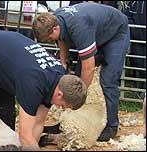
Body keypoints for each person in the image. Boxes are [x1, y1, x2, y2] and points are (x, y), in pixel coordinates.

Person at [0, 30, 87, 151]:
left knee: (6, 113)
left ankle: (6, 147)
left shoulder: (59, 81)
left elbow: (38, 122)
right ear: (60, 94)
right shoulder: (33, 85)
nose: (62, 108)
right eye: (63, 105)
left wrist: (33, 145)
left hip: (9, 59)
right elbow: (25, 136)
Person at [32, 2, 130, 141]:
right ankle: (68, 123)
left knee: (108, 80)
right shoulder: (57, 18)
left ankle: (111, 125)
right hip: (96, 31)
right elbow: (61, 38)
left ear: (55, 28)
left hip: (116, 33)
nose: (49, 41)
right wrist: (64, 60)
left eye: (49, 39)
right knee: (76, 79)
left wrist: (79, 97)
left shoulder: (79, 27)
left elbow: (89, 67)